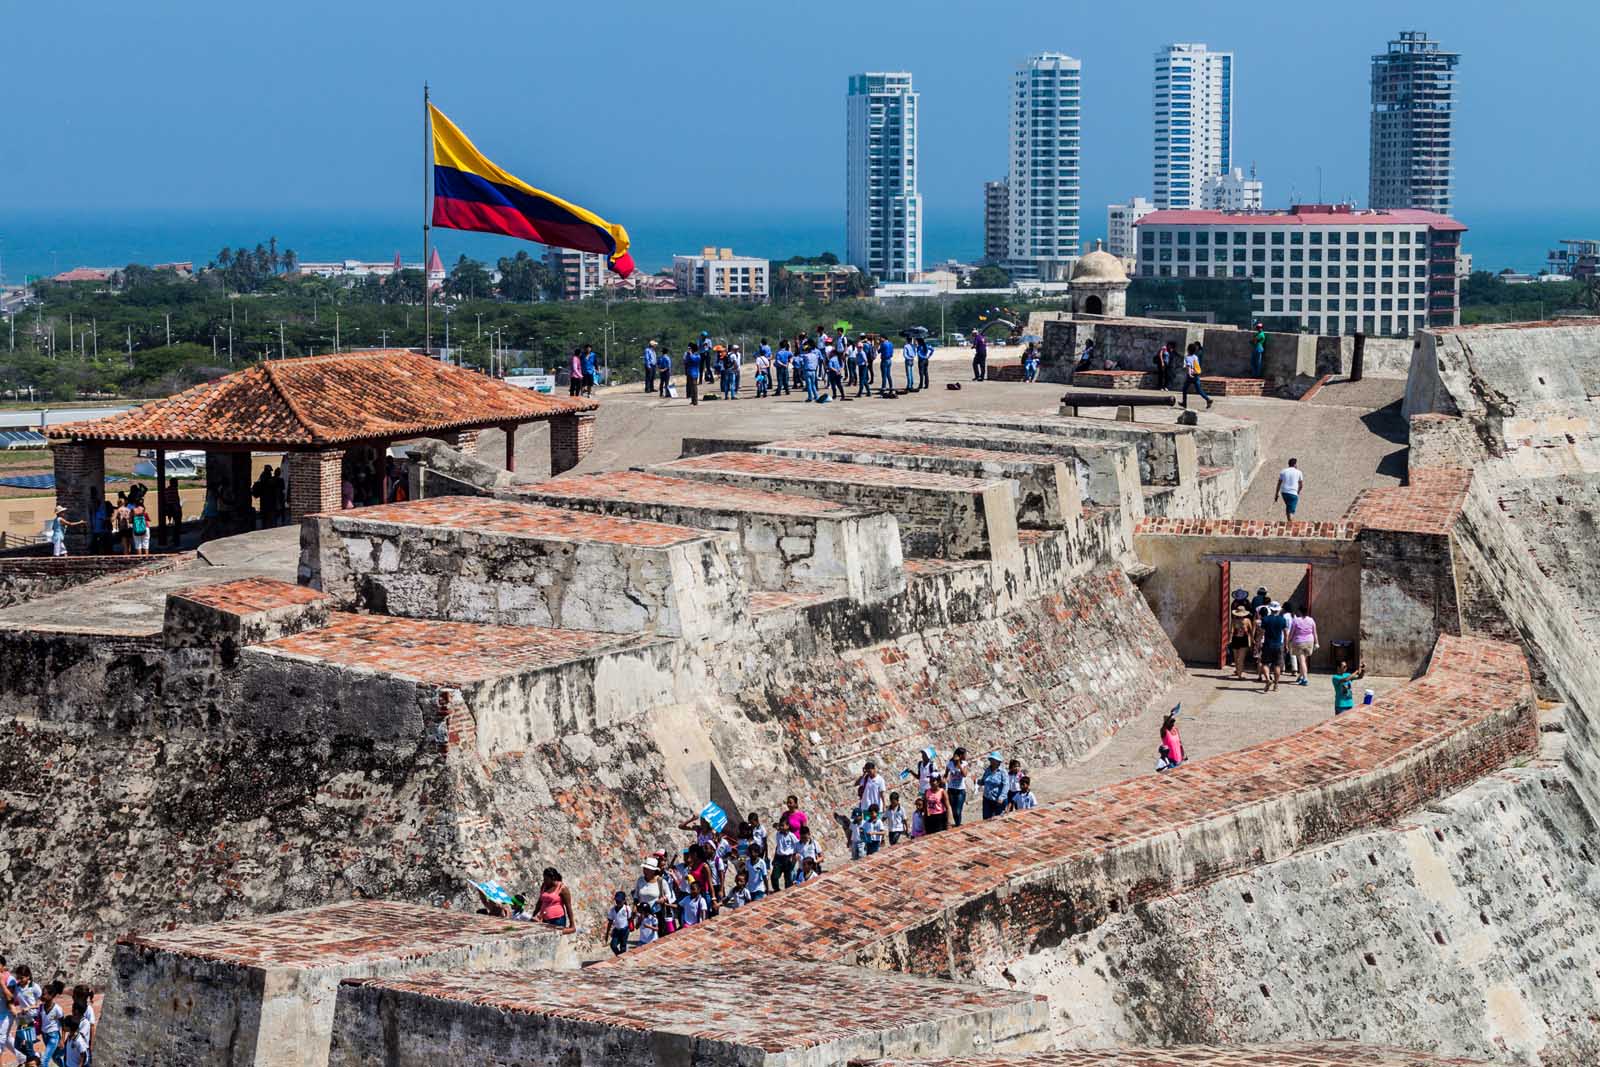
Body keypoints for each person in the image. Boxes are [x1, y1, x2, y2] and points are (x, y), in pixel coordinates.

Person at [1260, 602, 1289, 692]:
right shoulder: (1282, 620)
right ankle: (1276, 685)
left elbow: (1261, 633)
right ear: (1278, 610)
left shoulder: (1265, 619)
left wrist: (1258, 643)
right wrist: (1286, 644)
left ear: (1270, 609)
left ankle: (1268, 679)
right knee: (1277, 665)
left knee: (1265, 663)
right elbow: (1286, 633)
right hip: (1278, 645)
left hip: (1267, 644)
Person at [1288, 607, 1318, 685]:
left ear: (1300, 611)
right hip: (1309, 642)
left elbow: (1292, 632)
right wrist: (1316, 643)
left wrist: (1289, 640)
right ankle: (1301, 676)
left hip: (1299, 642)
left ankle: (1305, 678)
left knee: (1302, 661)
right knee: (1303, 661)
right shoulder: (1311, 620)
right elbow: (1315, 632)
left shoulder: (1296, 620)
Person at [1181, 342, 1213, 409]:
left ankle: (1184, 403)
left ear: (1188, 350)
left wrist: (1189, 374)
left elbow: (1189, 366)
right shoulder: (1195, 357)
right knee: (1199, 390)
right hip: (1197, 374)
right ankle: (1208, 399)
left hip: (1191, 375)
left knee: (1184, 389)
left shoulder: (1188, 357)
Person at [1228, 603, 1254, 679]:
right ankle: (1240, 674)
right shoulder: (1247, 620)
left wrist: (1230, 639)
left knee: (1236, 657)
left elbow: (1231, 631)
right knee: (1241, 658)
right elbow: (1251, 631)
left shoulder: (1234, 620)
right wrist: (1252, 639)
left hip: (1235, 639)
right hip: (1244, 639)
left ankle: (1237, 671)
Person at [979, 753, 1009, 819]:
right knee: (986, 818)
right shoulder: (987, 770)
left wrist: (1001, 797)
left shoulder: (1002, 772)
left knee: (998, 819)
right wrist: (979, 782)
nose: (992, 761)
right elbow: (984, 780)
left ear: (998, 761)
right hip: (987, 798)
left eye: (994, 760)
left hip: (998, 800)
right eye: (991, 759)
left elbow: (1006, 785)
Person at [944, 748, 969, 827]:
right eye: (965, 754)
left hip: (960, 790)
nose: (966, 756)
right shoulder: (950, 764)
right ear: (961, 755)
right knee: (954, 811)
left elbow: (964, 774)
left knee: (958, 811)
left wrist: (959, 765)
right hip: (951, 790)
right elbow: (946, 774)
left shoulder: (964, 764)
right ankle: (957, 824)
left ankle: (958, 825)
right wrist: (944, 780)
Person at [772, 819, 800, 889]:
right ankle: (776, 890)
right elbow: (778, 847)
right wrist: (774, 858)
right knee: (774, 876)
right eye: (780, 825)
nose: (781, 827)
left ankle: (787, 892)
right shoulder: (778, 834)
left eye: (782, 825)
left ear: (787, 826)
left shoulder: (791, 836)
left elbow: (797, 845)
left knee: (788, 878)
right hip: (779, 858)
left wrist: (794, 856)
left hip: (788, 858)